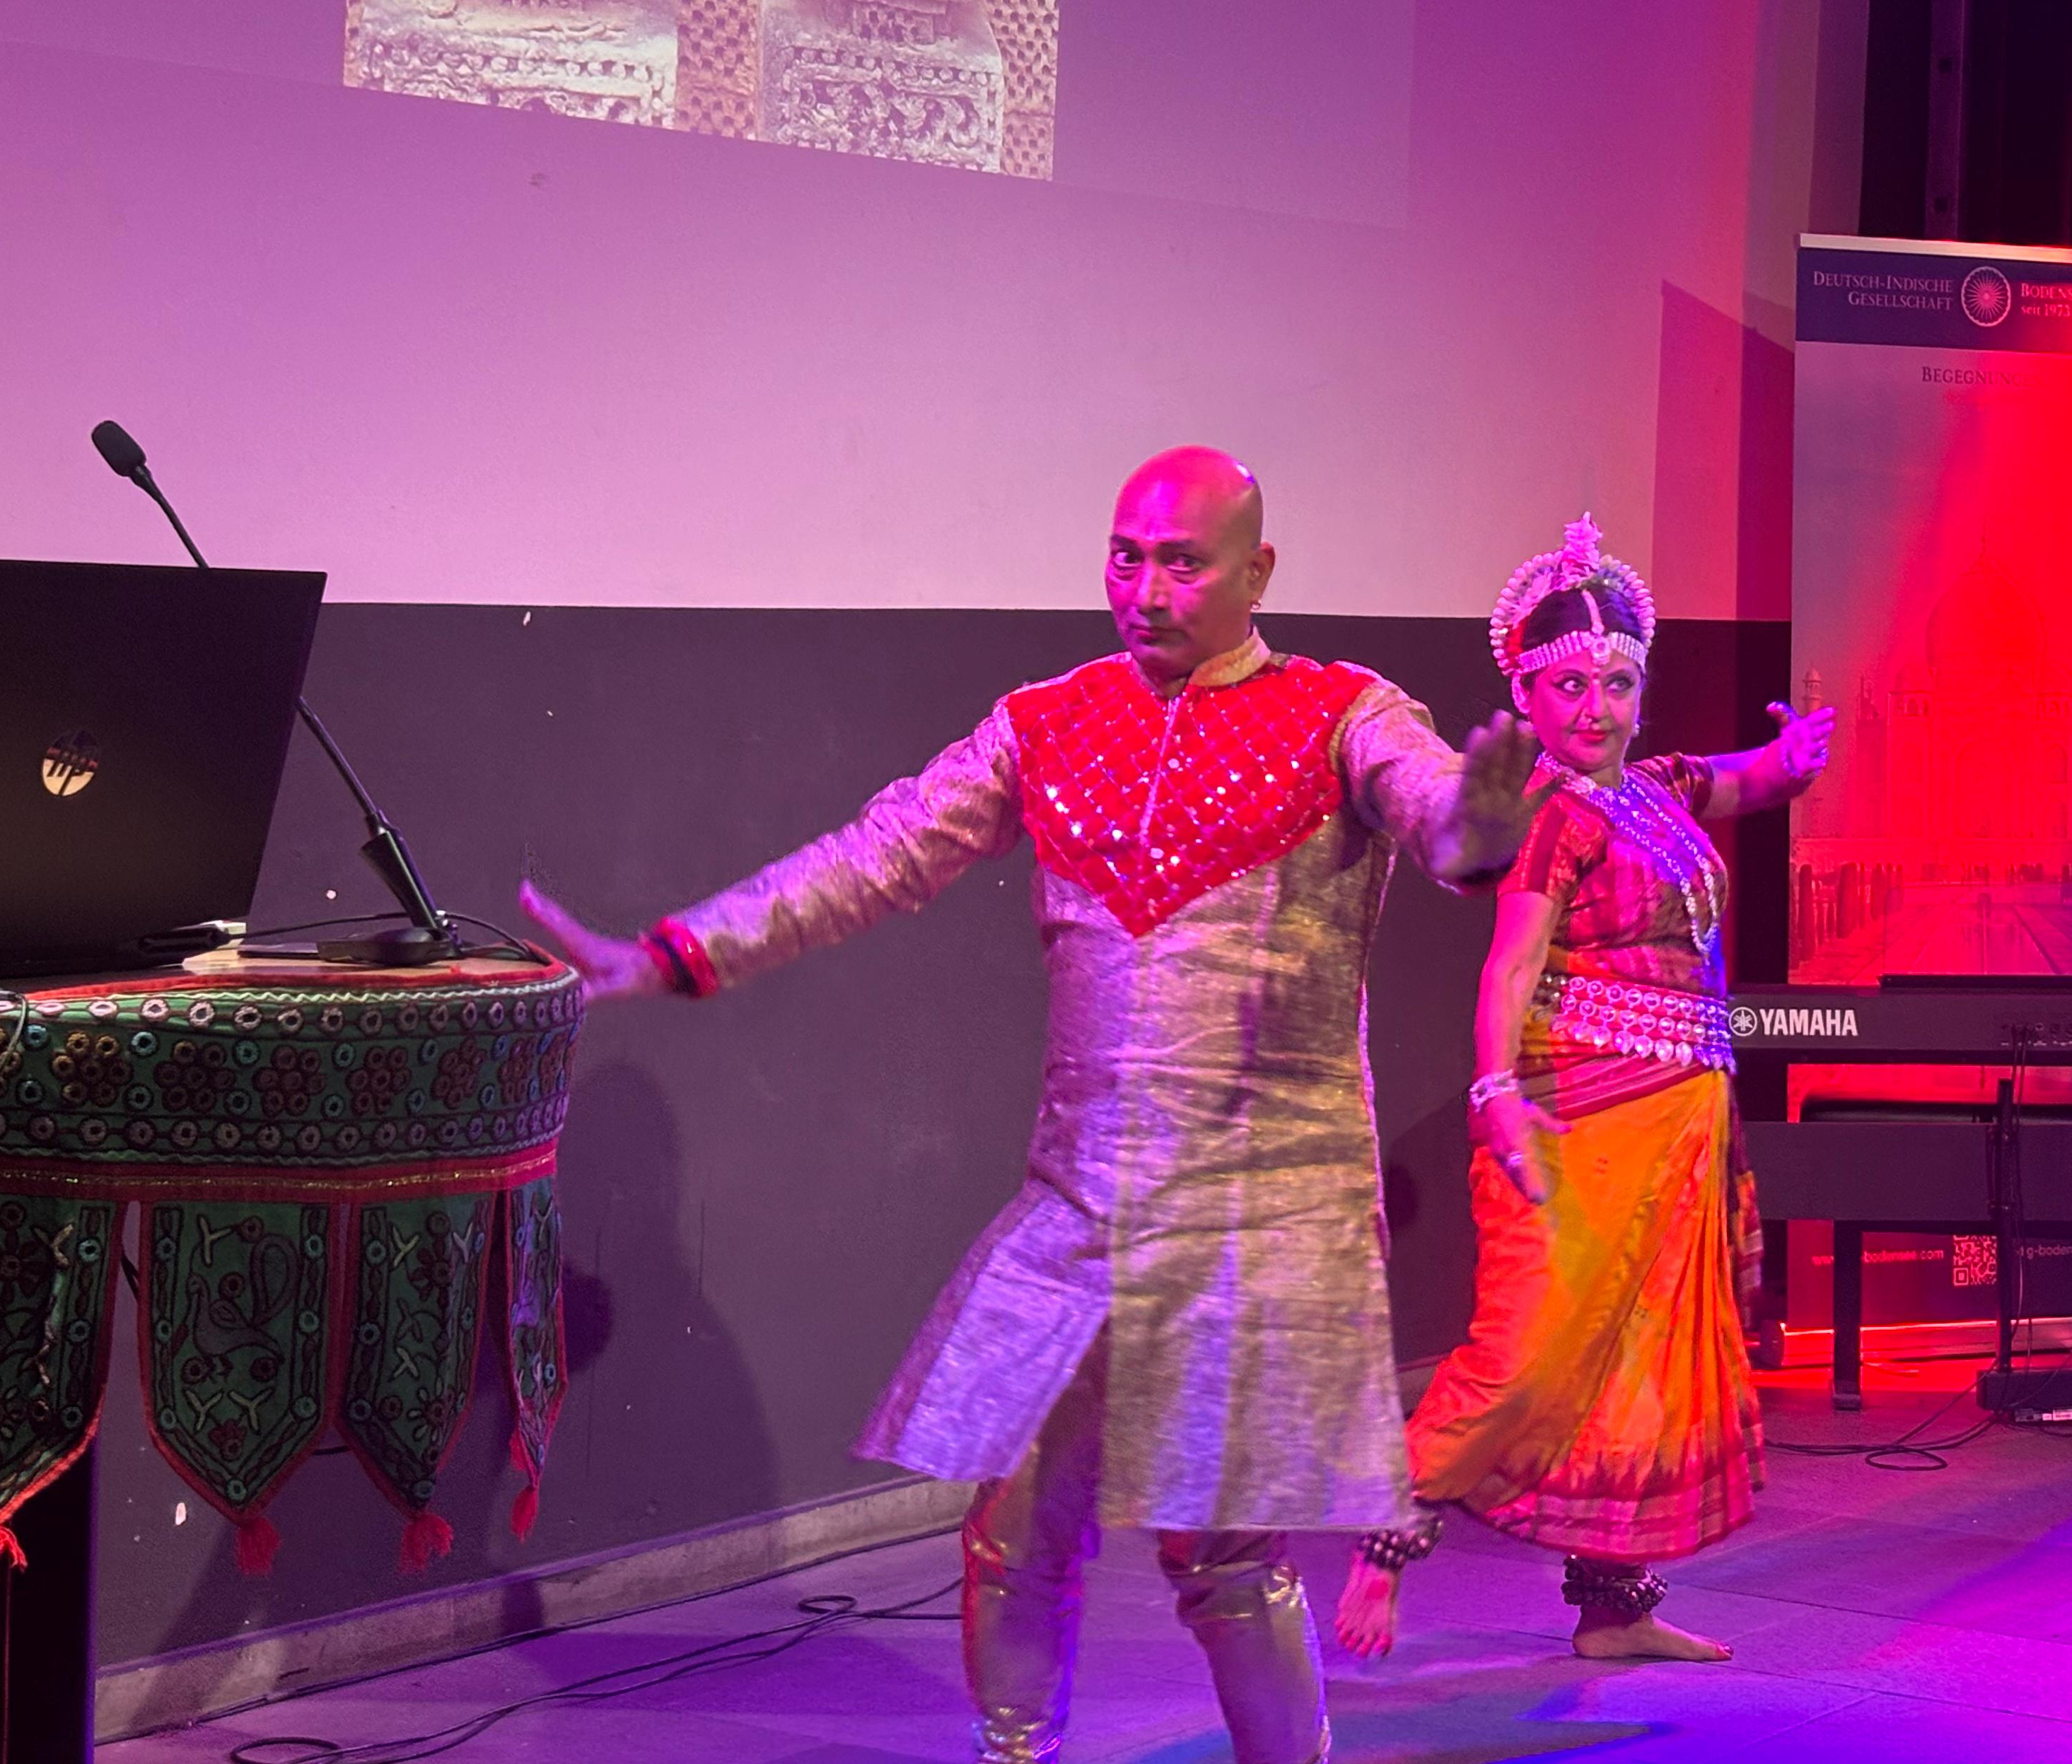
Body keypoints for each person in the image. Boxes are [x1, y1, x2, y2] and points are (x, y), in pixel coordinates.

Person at [522, 448, 1543, 1764]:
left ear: (1258, 573)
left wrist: (1480, 823)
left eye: (1183, 563)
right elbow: (880, 853)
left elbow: (1441, 814)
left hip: (1258, 1220)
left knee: (1223, 1556)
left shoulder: (1344, 713)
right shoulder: (1048, 721)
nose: (1146, 589)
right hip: (1079, 1208)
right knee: (1011, 1528)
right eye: (1127, 556)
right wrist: (679, 952)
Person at [1332, 515, 1834, 1665]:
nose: (1595, 707)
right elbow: (1509, 967)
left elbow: (1745, 780)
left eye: (1616, 682)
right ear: (1526, 695)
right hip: (1579, 1120)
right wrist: (1494, 1091)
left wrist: (1794, 760)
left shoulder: (1654, 790)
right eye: (1568, 685)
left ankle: (1614, 1608)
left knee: (1641, 1368)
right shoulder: (1550, 818)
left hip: (1681, 1122)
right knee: (1523, 1357)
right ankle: (1384, 1540)